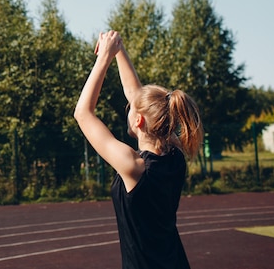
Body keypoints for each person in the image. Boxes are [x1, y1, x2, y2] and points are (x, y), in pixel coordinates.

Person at [74, 30, 203, 269]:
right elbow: (136, 96)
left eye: (132, 110)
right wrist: (118, 48)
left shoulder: (134, 167)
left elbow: (83, 114)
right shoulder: (175, 154)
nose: (129, 107)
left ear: (139, 121)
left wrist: (104, 57)